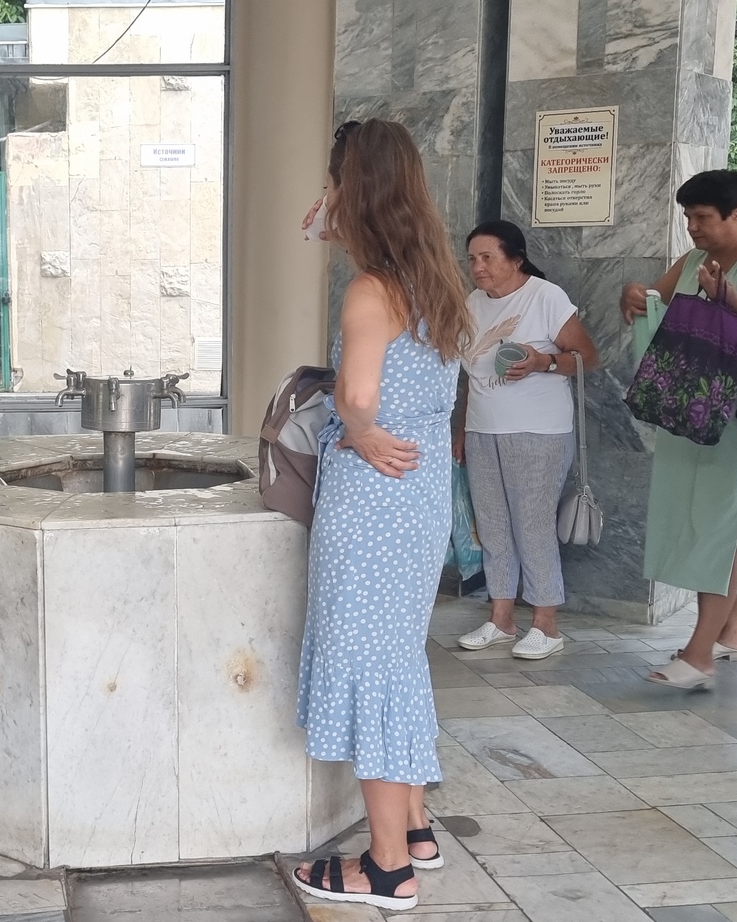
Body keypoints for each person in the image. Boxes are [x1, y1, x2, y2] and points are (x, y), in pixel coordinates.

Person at [290, 119, 472, 912]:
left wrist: (357, 429)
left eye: (334, 184)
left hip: (370, 498)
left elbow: (360, 394)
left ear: (353, 191)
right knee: (398, 657)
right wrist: (335, 222)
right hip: (420, 497)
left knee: (371, 665)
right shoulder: (436, 282)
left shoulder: (371, 291)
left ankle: (389, 867)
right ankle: (417, 827)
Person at [619, 170, 737, 690]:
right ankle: (732, 634)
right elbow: (654, 300)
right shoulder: (694, 259)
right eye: (687, 217)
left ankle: (699, 656)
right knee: (707, 523)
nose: (692, 227)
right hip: (693, 407)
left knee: (722, 529)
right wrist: (634, 295)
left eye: (702, 217)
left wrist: (729, 301)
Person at [452, 221, 599, 659]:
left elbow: (587, 358)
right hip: (483, 431)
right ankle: (501, 619)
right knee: (492, 526)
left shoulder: (545, 296)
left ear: (516, 259)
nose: (478, 267)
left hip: (539, 431)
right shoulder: (472, 303)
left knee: (532, 526)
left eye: (487, 257)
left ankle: (546, 625)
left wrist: (542, 363)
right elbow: (470, 377)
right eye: (472, 259)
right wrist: (461, 430)